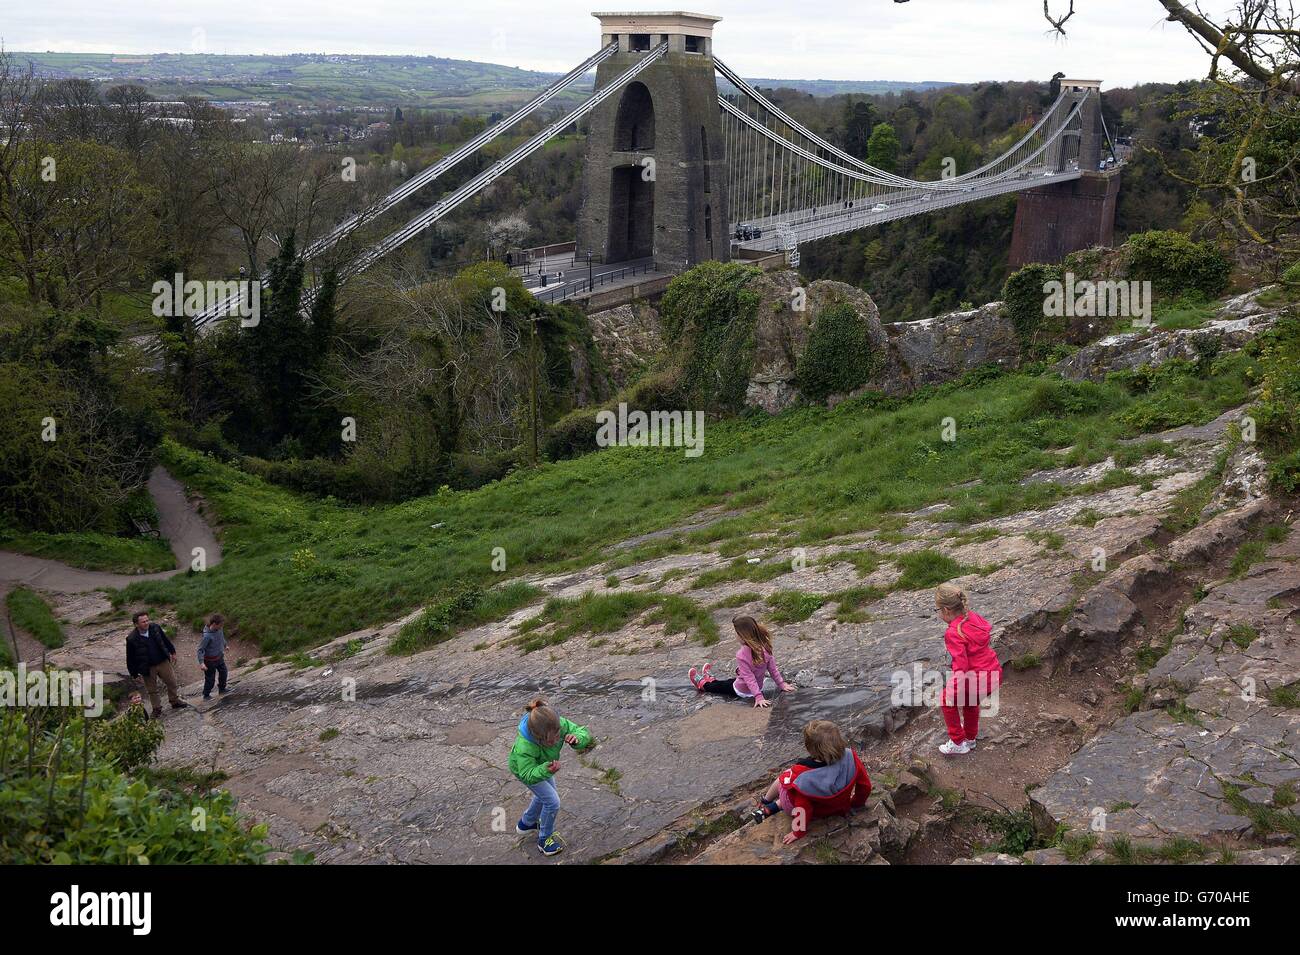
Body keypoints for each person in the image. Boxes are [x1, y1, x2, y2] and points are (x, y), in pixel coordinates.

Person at [750, 719, 872, 844]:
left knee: (784, 779)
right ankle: (773, 807)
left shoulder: (804, 777)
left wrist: (798, 832)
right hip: (838, 806)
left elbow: (803, 808)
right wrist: (856, 803)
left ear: (810, 749)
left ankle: (766, 802)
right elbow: (865, 786)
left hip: (812, 811)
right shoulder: (851, 757)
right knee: (795, 792)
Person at [508, 698, 592, 857]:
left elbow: (582, 732)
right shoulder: (525, 745)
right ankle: (545, 839)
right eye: (551, 740)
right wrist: (545, 770)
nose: (556, 741)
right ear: (538, 738)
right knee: (553, 802)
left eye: (558, 734)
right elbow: (527, 773)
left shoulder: (557, 724)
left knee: (545, 796)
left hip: (542, 765)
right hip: (525, 770)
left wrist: (577, 739)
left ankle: (527, 823)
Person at [934, 583, 1002, 755]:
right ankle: (970, 738)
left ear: (947, 610)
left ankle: (957, 742)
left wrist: (952, 690)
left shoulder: (953, 633)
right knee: (971, 703)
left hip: (976, 678)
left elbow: (961, 667)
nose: (938, 613)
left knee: (946, 701)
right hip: (992, 673)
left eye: (938, 610)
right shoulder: (973, 617)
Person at [688, 615, 796, 708]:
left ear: (743, 636)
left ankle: (703, 684)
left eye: (736, 633)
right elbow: (773, 670)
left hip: (743, 691)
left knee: (719, 687)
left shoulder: (742, 655)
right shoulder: (765, 646)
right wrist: (782, 684)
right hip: (753, 686)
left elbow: (749, 678)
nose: (735, 636)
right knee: (729, 681)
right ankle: (711, 679)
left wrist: (758, 697)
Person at [125, 611, 188, 719]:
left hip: (162, 661)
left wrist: (172, 652)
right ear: (136, 624)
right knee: (152, 690)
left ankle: (174, 700)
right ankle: (156, 708)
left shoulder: (155, 628)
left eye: (147, 620)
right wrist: (134, 674)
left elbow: (165, 640)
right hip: (147, 667)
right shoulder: (131, 639)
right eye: (143, 622)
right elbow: (130, 658)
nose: (146, 623)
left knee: (172, 682)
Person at [197, 612, 229, 700]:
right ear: (214, 624)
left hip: (219, 657)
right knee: (210, 679)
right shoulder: (207, 636)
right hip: (209, 661)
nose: (222, 627)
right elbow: (200, 650)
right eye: (221, 625)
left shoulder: (219, 630)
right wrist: (202, 663)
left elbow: (221, 637)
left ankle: (222, 689)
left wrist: (225, 645)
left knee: (224, 673)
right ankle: (206, 694)